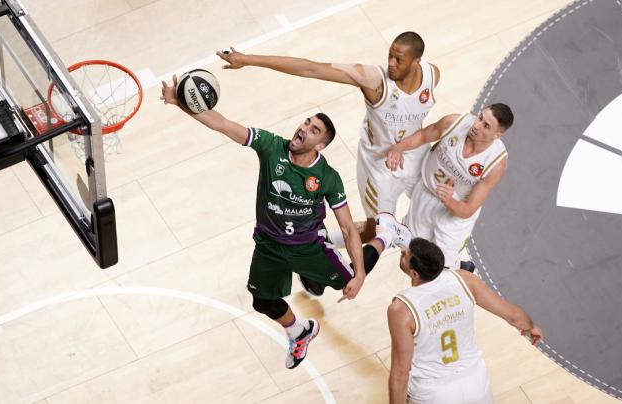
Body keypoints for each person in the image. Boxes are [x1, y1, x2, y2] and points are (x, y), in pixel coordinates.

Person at [160, 75, 404, 369]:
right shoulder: (270, 146)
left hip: (308, 246)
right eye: (306, 122)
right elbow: (222, 123)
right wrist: (181, 103)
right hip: (269, 244)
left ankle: (386, 236)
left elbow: (350, 228)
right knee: (262, 302)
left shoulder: (327, 177)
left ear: (321, 145)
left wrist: (362, 275)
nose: (304, 129)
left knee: (349, 278)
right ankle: (300, 330)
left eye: (314, 130)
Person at [217, 31, 440, 246]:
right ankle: (321, 243)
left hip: (415, 155)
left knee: (442, 208)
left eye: (399, 59)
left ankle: (448, 263)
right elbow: (310, 68)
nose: (391, 62)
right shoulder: (375, 80)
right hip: (378, 165)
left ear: (416, 62)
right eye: (390, 55)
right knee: (377, 232)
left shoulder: (432, 76)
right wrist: (247, 59)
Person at [387, 238, 543, 403]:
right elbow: (513, 316)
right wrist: (530, 327)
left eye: (405, 255)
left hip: (433, 392)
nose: (402, 252)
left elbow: (400, 375)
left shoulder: (401, 309)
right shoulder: (464, 279)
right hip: (475, 382)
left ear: (414, 274)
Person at [385, 104, 514, 270]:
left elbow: (468, 210)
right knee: (412, 257)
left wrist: (449, 201)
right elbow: (424, 135)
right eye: (480, 117)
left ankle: (457, 268)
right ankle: (461, 265)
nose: (476, 125)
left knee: (442, 271)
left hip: (456, 213)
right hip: (427, 192)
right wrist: (398, 148)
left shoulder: (496, 164)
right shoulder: (454, 123)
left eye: (486, 126)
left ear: (497, 135)